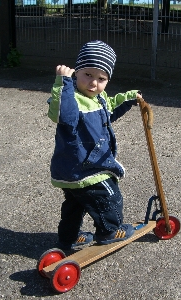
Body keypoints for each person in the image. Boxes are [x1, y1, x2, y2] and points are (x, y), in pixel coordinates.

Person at [47, 40, 142, 250]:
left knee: (75, 205)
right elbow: (63, 114)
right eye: (87, 75)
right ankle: (109, 230)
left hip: (75, 170)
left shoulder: (98, 99)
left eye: (101, 78)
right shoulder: (71, 98)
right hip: (86, 168)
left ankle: (68, 238)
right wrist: (63, 82)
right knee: (110, 196)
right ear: (76, 72)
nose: (93, 83)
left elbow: (109, 112)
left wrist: (129, 99)